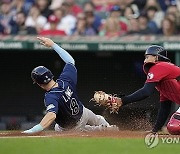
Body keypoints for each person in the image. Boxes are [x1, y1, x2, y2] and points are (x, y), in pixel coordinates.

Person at [23, 37, 118, 134]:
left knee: (62, 128)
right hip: (83, 112)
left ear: (39, 84)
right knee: (98, 119)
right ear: (51, 75)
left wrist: (34, 129)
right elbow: (70, 61)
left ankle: (101, 130)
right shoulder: (65, 80)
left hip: (72, 127)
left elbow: (51, 115)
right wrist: (53, 45)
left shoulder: (51, 96)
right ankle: (108, 127)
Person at [93, 45, 180, 134]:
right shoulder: (163, 81)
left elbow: (146, 92)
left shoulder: (159, 66)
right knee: (173, 127)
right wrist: (155, 130)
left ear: (156, 57)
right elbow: (165, 108)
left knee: (175, 127)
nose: (144, 60)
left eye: (147, 57)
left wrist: (122, 100)